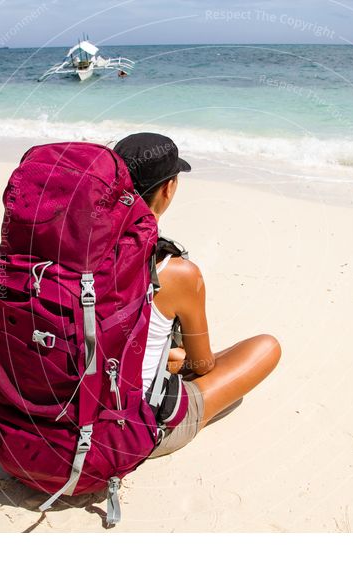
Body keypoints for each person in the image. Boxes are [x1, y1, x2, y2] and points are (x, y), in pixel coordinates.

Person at [113, 133, 282, 458]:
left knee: (174, 353)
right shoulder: (173, 270)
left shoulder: (71, 246)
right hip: (121, 434)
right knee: (266, 348)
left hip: (51, 416)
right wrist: (187, 362)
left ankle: (167, 360)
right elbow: (203, 365)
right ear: (168, 189)